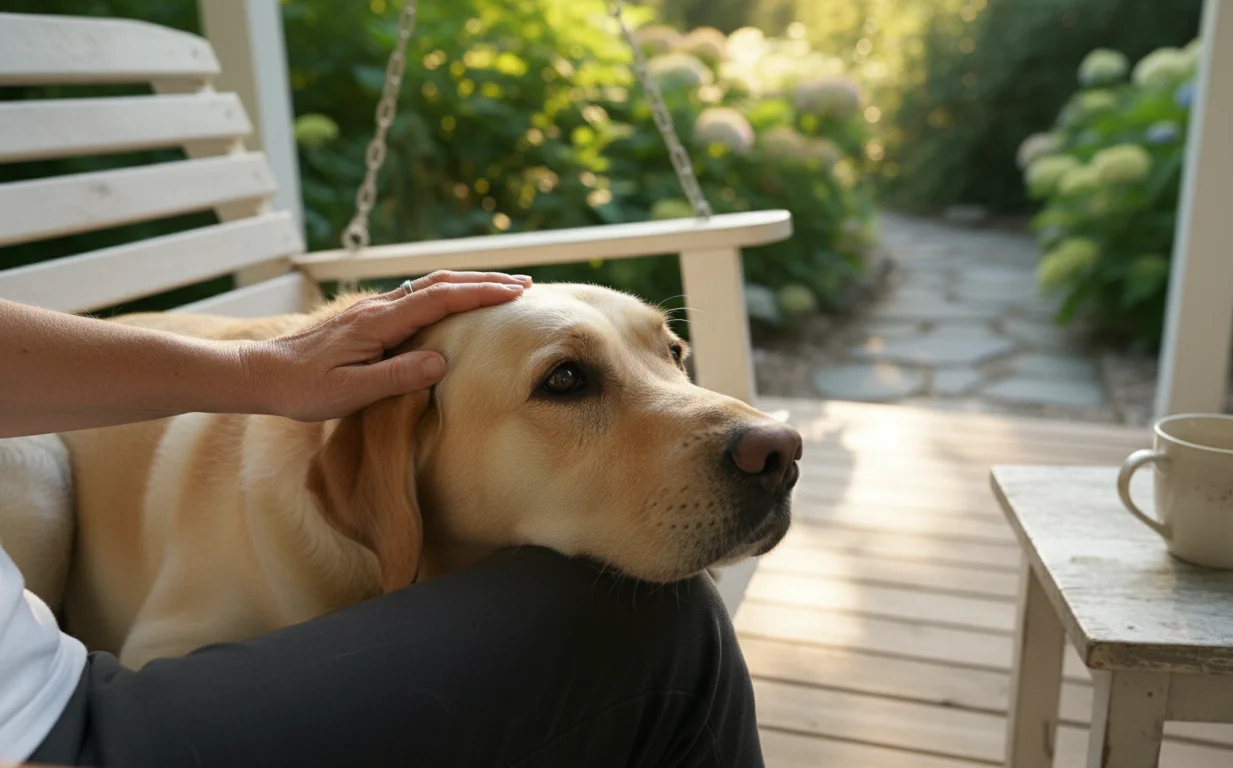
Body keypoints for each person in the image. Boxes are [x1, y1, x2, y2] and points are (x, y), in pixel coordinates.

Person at [0, 271, 766, 767]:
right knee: (663, 631)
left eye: (669, 353)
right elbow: (154, 660)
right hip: (53, 730)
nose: (754, 437)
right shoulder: (260, 515)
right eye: (568, 381)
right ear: (395, 467)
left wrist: (255, 371)